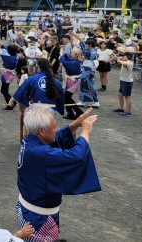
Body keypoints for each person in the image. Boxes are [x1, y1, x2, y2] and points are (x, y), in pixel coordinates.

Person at [17, 105, 101, 241]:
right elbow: (76, 157)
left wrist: (73, 126)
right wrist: (85, 132)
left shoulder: (29, 140)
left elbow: (54, 139)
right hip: (39, 218)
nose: (56, 130)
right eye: (54, 126)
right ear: (41, 131)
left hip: (29, 208)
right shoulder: (40, 153)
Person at [114, 52, 133, 116]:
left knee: (127, 96)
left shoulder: (130, 62)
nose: (122, 57)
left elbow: (124, 63)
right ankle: (121, 108)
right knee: (120, 94)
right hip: (123, 81)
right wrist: (117, 58)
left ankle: (128, 112)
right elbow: (120, 62)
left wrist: (119, 59)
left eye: (124, 56)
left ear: (128, 57)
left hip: (127, 82)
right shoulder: (125, 61)